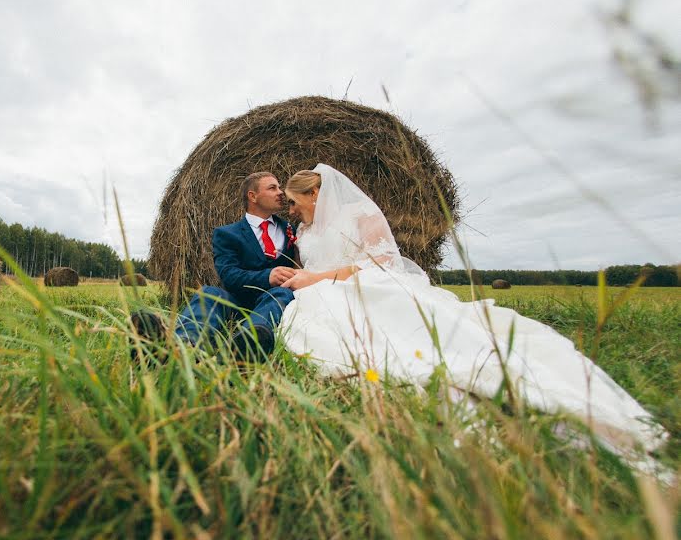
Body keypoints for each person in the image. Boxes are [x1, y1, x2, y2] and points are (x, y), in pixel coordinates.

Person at [278, 163, 667, 457]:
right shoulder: (306, 232)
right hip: (319, 291)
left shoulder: (360, 215)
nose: (292, 211)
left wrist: (319, 279)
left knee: (423, 339)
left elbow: (382, 264)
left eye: (294, 203)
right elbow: (314, 267)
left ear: (314, 195)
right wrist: (298, 275)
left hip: (363, 284)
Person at [132, 172, 299, 360]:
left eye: (279, 187)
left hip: (273, 298)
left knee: (283, 294)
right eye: (272, 188)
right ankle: (181, 345)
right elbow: (229, 274)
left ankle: (242, 347)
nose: (281, 192)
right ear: (252, 196)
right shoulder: (227, 234)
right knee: (210, 293)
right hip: (236, 299)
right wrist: (266, 276)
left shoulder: (291, 229)